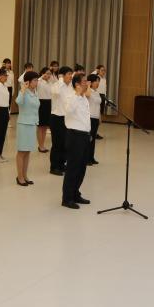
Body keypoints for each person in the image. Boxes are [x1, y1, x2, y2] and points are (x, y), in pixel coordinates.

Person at [61, 73, 92, 209]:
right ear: (77, 84)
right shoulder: (70, 97)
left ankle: (75, 193)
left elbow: (84, 118)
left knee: (81, 168)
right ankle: (67, 198)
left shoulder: (84, 98)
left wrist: (88, 133)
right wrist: (77, 94)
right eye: (85, 81)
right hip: (74, 136)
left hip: (84, 136)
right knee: (73, 168)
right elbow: (68, 111)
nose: (87, 83)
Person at [14, 71, 40, 186]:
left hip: (32, 124)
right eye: (34, 80)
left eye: (37, 80)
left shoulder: (35, 92)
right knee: (22, 151)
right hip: (24, 125)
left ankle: (25, 175)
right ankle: (19, 177)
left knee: (28, 151)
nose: (36, 82)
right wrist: (23, 90)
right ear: (28, 82)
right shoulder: (23, 92)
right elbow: (18, 102)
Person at [49, 67, 74, 175]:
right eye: (69, 74)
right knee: (57, 143)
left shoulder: (71, 87)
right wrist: (60, 80)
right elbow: (56, 92)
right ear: (62, 76)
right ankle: (54, 167)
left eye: (71, 74)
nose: (71, 76)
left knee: (65, 143)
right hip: (57, 118)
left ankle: (62, 164)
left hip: (67, 118)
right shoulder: (56, 85)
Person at [36, 67, 53, 153]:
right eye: (47, 73)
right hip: (41, 103)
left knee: (45, 126)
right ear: (42, 73)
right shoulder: (38, 81)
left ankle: (43, 144)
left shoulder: (50, 82)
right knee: (40, 126)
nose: (48, 75)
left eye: (50, 74)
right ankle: (40, 145)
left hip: (49, 103)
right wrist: (41, 77)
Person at [87, 74, 103, 165]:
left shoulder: (96, 92)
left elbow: (98, 105)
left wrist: (99, 116)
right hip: (90, 117)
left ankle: (91, 157)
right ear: (91, 82)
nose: (98, 83)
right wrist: (88, 86)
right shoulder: (88, 91)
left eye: (98, 81)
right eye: (96, 81)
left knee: (93, 139)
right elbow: (87, 95)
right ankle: (86, 159)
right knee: (89, 138)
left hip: (96, 117)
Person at [94, 65, 108, 139]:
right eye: (102, 70)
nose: (103, 72)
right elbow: (91, 75)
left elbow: (105, 90)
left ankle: (95, 132)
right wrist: (95, 71)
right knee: (96, 116)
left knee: (99, 117)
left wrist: (105, 101)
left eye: (104, 70)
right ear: (98, 70)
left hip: (102, 97)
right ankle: (93, 133)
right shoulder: (96, 77)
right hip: (97, 96)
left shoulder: (104, 79)